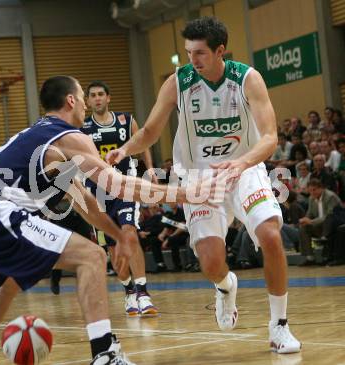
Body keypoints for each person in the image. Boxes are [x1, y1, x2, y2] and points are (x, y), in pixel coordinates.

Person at [0, 75, 203, 365]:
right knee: (92, 256)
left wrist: (120, 237)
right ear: (71, 100)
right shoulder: (69, 137)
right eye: (82, 97)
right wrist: (185, 194)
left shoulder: (40, 140)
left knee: (9, 282)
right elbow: (118, 186)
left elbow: (87, 204)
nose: (84, 104)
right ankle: (105, 353)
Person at [106, 16, 301, 353]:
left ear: (219, 50)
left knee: (270, 234)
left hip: (244, 168)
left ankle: (279, 326)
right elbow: (150, 131)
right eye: (188, 52)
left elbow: (270, 137)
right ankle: (226, 287)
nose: (192, 60)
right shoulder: (178, 82)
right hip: (197, 178)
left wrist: (241, 162)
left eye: (199, 53)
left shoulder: (247, 79)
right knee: (211, 263)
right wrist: (125, 149)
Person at [81, 80, 158, 316]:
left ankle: (143, 293)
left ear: (108, 97)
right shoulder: (82, 127)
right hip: (97, 192)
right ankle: (129, 291)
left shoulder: (125, 120)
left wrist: (150, 168)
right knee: (113, 250)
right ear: (87, 101)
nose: (97, 98)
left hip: (125, 185)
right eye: (92, 95)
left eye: (101, 94)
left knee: (130, 232)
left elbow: (142, 141)